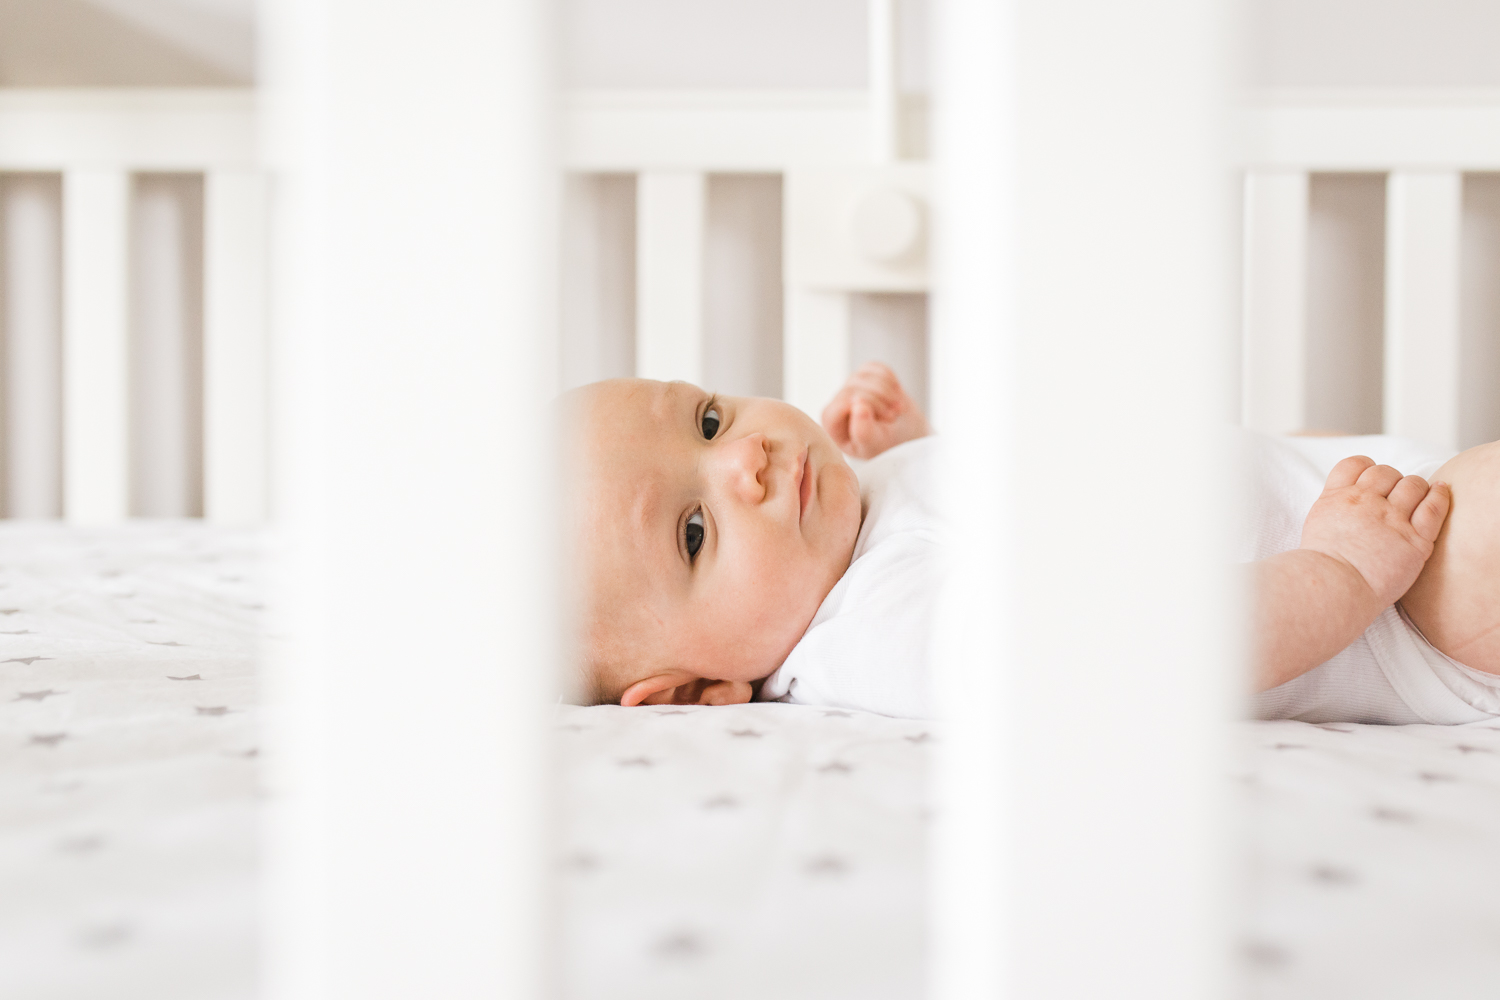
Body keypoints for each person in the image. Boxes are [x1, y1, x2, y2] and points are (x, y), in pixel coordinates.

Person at [565, 362, 1498, 722]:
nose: (745, 464)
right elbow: (1138, 648)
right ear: (695, 690)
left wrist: (917, 453)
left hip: (1383, 502)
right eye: (694, 532)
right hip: (1408, 606)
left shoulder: (852, 531)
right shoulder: (880, 627)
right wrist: (1339, 570)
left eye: (708, 420)